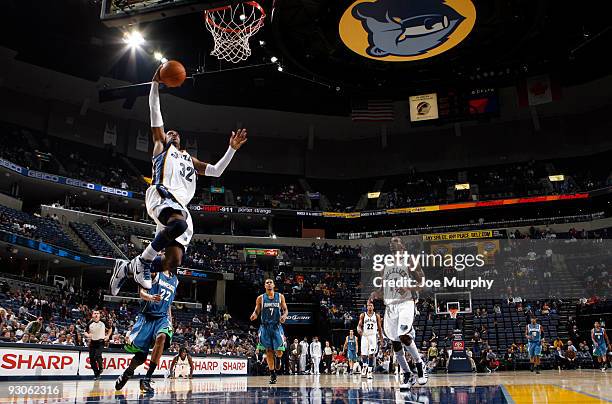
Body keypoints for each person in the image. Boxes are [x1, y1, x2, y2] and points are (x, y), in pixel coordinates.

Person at [110, 66, 247, 296]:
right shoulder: (161, 146)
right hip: (162, 195)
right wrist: (155, 84)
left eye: (176, 133)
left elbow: (215, 171)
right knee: (179, 224)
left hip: (180, 207)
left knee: (173, 262)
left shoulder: (188, 159)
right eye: (169, 132)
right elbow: (155, 111)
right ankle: (142, 263)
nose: (172, 133)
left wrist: (231, 150)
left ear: (181, 140)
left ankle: (126, 268)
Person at [370, 237, 427, 390]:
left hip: (406, 304)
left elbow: (422, 283)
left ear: (403, 245)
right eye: (391, 241)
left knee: (404, 335)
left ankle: (420, 364)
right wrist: (376, 294)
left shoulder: (410, 260)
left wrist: (409, 288)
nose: (392, 242)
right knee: (395, 343)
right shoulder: (385, 264)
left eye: (396, 240)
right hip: (390, 307)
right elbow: (383, 289)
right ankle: (407, 374)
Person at [115, 268, 178, 394]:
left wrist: (170, 321)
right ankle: (128, 372)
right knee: (141, 357)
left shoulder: (175, 280)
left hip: (162, 318)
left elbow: (169, 303)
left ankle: (147, 379)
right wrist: (151, 297)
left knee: (162, 336)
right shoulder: (155, 272)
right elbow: (142, 293)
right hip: (147, 317)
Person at [250, 279, 288, 384]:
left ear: (274, 285)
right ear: (265, 286)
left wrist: (284, 316)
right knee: (269, 351)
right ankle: (272, 374)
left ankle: (279, 358)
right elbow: (256, 310)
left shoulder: (280, 296)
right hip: (265, 327)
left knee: (279, 351)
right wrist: (254, 315)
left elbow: (285, 309)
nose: (269, 284)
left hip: (276, 326)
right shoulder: (260, 298)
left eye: (271, 282)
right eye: (267, 282)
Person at [357, 300, 383, 379]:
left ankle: (369, 371)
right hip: (365, 336)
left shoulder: (377, 316)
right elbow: (359, 325)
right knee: (364, 355)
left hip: (373, 336)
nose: (370, 307)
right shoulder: (363, 315)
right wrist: (359, 329)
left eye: (371, 305)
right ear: (366, 307)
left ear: (373, 307)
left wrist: (381, 338)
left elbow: (379, 327)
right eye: (368, 305)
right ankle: (364, 366)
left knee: (371, 355)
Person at [84, 310, 111, 380]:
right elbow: (85, 332)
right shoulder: (90, 323)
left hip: (100, 342)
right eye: (95, 313)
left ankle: (101, 367)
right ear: (92, 315)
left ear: (99, 315)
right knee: (92, 359)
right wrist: (87, 335)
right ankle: (97, 374)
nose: (96, 315)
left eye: (97, 313)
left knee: (98, 355)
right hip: (92, 342)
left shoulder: (103, 321)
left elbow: (110, 329)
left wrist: (108, 336)